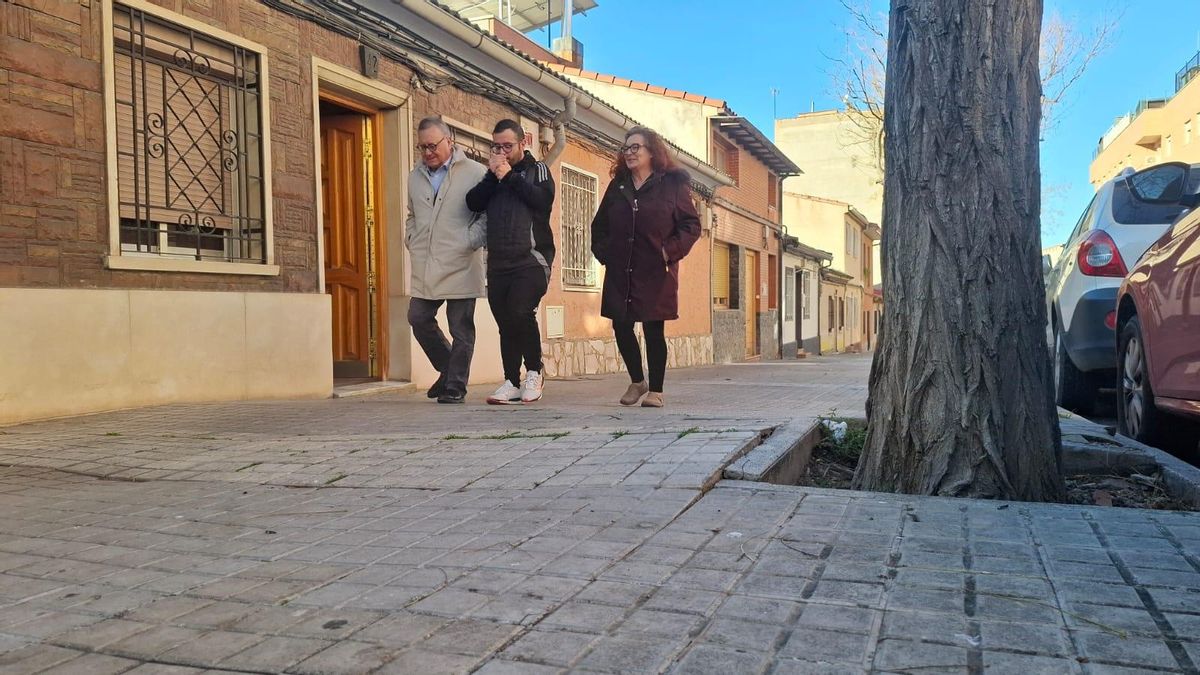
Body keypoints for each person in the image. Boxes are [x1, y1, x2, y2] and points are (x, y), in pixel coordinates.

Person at [590, 126, 701, 408]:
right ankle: (638, 380)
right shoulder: (619, 185)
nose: (628, 153)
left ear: (652, 150)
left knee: (653, 328)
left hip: (656, 269)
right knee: (621, 325)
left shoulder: (673, 184)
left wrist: (668, 252)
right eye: (625, 148)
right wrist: (608, 256)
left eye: (635, 147)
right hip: (621, 269)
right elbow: (599, 226)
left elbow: (691, 225)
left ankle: (657, 391)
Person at [465, 119, 556, 405]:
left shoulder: (537, 169)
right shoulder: (493, 176)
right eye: (497, 146)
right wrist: (493, 177)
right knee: (505, 321)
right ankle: (510, 381)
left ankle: (534, 371)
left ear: (522, 143)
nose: (502, 152)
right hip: (499, 262)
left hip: (531, 260)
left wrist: (509, 177)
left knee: (520, 310)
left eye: (508, 146)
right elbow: (473, 202)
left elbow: (543, 200)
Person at [406, 116, 488, 404]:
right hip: (427, 262)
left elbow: (485, 217)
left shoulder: (476, 172)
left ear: (449, 142)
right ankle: (448, 367)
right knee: (418, 317)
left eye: (432, 145)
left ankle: (455, 386)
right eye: (422, 147)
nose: (427, 152)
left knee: (461, 327)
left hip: (462, 261)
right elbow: (412, 215)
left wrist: (468, 241)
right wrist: (412, 239)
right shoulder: (414, 176)